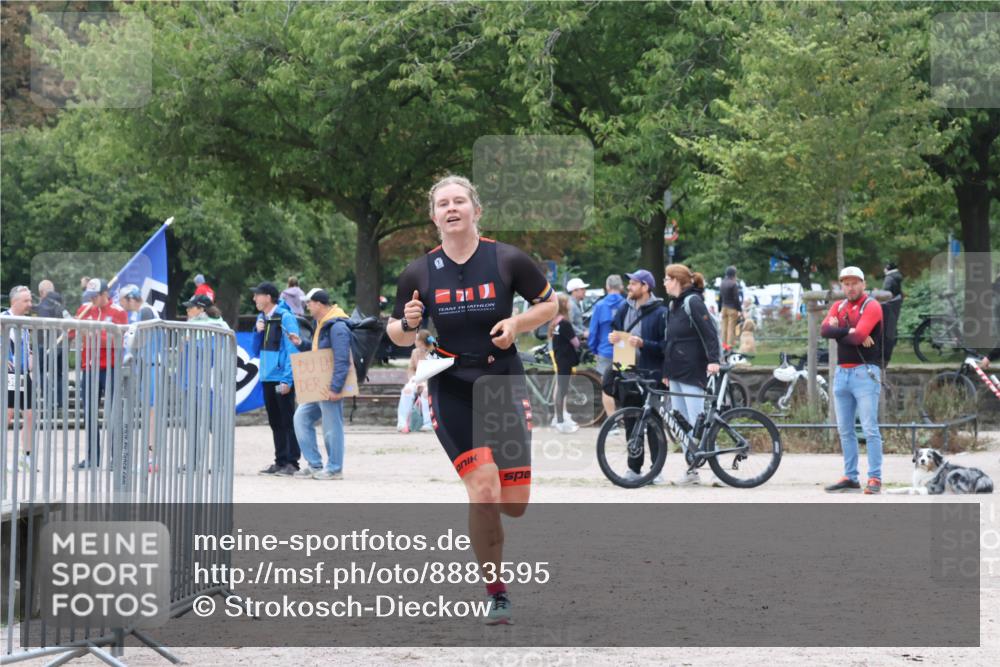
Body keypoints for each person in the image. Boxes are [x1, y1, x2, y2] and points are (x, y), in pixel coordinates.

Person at [387, 174, 557, 625]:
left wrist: (517, 325)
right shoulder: (419, 272)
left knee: (513, 503)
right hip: (451, 385)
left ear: (476, 210)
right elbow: (396, 332)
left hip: (502, 381)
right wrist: (409, 323)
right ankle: (496, 592)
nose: (451, 208)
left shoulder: (507, 259)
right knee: (483, 489)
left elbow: (550, 305)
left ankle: (492, 517)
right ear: (433, 216)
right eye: (442, 203)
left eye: (459, 201)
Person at [822, 266, 885, 495]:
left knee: (869, 428)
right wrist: (850, 331)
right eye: (846, 284)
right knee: (845, 430)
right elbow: (824, 330)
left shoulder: (872, 305)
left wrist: (842, 330)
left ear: (863, 284)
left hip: (865, 372)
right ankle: (850, 476)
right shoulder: (838, 306)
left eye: (854, 283)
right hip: (842, 373)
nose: (850, 288)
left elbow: (859, 337)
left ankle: (875, 477)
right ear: (842, 285)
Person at [662, 264, 722, 486]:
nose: (664, 283)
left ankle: (718, 469)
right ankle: (692, 470)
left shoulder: (693, 302)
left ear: (676, 280)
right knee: (681, 423)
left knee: (697, 421)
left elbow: (709, 333)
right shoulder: (673, 305)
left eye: (667, 279)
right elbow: (670, 340)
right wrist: (666, 370)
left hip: (692, 369)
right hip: (676, 370)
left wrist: (714, 360)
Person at [608, 269, 667, 482]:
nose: (629, 287)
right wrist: (613, 338)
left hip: (652, 374)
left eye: (634, 283)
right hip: (627, 371)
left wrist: (643, 343)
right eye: (630, 283)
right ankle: (634, 469)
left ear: (645, 287)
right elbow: (615, 330)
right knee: (631, 420)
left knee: (653, 422)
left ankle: (656, 470)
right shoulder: (624, 308)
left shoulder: (661, 312)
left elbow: (666, 346)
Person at [291, 288, 351, 480]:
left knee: (332, 427)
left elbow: (342, 359)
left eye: (309, 303)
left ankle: (334, 469)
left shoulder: (337, 326)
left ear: (318, 303)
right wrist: (301, 344)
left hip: (330, 386)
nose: (307, 306)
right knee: (300, 418)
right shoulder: (322, 324)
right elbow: (318, 352)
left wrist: (336, 388)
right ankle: (315, 465)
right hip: (320, 385)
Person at [72, 278, 129, 469]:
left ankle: (116, 458)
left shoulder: (118, 312)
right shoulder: (84, 309)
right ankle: (91, 458)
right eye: (89, 296)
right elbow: (71, 333)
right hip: (89, 368)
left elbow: (118, 341)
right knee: (89, 414)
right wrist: (73, 325)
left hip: (111, 368)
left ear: (105, 294)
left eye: (94, 296)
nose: (92, 299)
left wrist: (93, 333)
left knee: (113, 414)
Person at [251, 281, 302, 476]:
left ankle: (292, 462)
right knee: (275, 420)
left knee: (287, 419)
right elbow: (255, 350)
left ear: (268, 297)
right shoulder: (262, 318)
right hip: (267, 377)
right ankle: (280, 461)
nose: (254, 298)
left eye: (257, 294)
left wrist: (287, 380)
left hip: (281, 378)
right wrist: (257, 332)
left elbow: (292, 350)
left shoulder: (285, 317)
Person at [4, 286, 34, 470]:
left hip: (23, 374)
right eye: (26, 301)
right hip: (8, 374)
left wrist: (30, 356)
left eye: (30, 300)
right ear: (14, 302)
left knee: (30, 415)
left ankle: (26, 457)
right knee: (7, 414)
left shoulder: (25, 322)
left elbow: (25, 346)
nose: (30, 304)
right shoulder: (3, 319)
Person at [588, 274, 625, 422]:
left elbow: (593, 331)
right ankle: (629, 418)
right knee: (625, 383)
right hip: (624, 349)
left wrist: (593, 349)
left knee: (606, 385)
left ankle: (612, 422)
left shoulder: (600, 305)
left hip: (605, 350)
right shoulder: (627, 304)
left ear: (607, 287)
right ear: (621, 287)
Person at [549, 293, 581, 433]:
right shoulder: (565, 324)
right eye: (567, 302)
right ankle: (560, 421)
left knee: (560, 389)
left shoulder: (555, 323)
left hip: (559, 358)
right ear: (563, 305)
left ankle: (559, 419)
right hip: (566, 360)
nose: (570, 304)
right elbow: (576, 342)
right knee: (562, 390)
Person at [396, 329, 434, 434]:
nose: (415, 341)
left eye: (417, 339)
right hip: (417, 380)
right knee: (406, 391)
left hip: (430, 382)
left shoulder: (433, 352)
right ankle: (402, 423)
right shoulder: (415, 352)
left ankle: (428, 424)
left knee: (426, 392)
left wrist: (425, 383)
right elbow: (411, 368)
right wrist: (413, 379)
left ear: (422, 341)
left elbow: (435, 371)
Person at [36, 279, 66, 407]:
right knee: (58, 373)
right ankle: (60, 401)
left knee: (41, 371)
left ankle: (50, 400)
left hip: (46, 344)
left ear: (41, 292)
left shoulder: (43, 305)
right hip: (61, 343)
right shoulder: (60, 305)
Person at [718, 266, 741, 349]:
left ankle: (723, 346)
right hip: (732, 308)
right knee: (731, 328)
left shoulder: (722, 283)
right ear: (734, 274)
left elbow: (720, 297)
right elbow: (736, 298)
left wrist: (719, 308)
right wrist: (739, 309)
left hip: (724, 308)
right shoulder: (733, 284)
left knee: (724, 328)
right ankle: (730, 346)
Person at [565, 277, 589, 342]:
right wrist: (582, 334)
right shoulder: (571, 305)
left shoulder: (574, 304)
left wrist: (586, 330)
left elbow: (578, 325)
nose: (585, 291)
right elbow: (567, 324)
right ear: (574, 291)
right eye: (582, 289)